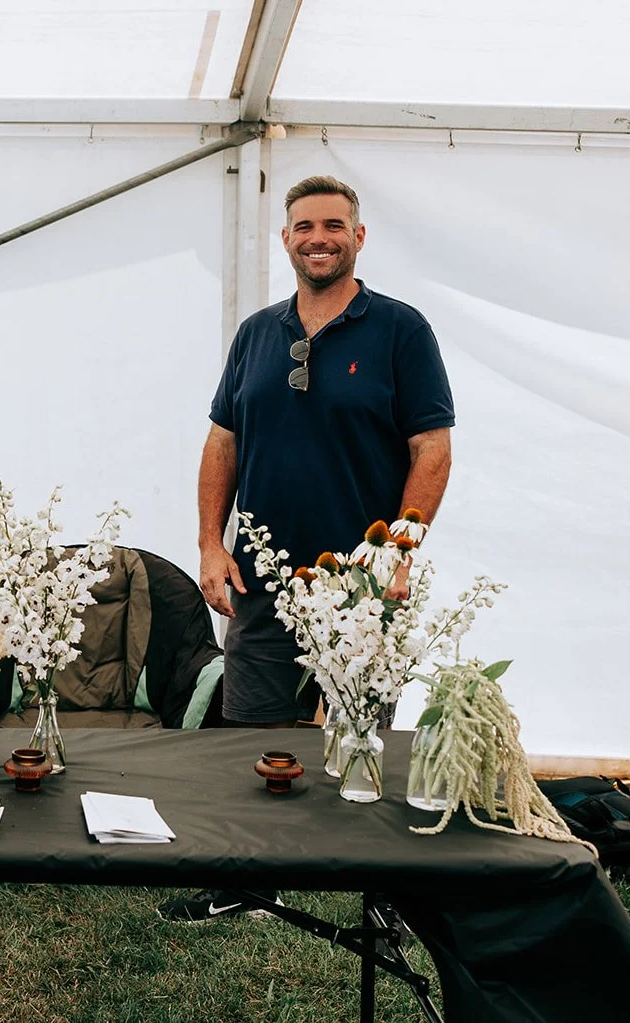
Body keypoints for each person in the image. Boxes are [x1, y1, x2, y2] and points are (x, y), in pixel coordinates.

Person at [159, 175, 455, 924]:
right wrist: (209, 545)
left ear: (359, 237)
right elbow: (221, 443)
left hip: (361, 590)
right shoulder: (257, 333)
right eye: (302, 226)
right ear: (285, 239)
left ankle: (376, 890)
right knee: (253, 735)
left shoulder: (401, 329)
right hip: (260, 578)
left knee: (364, 738)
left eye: (332, 225)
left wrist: (398, 549)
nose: (317, 237)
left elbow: (432, 448)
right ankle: (251, 882)